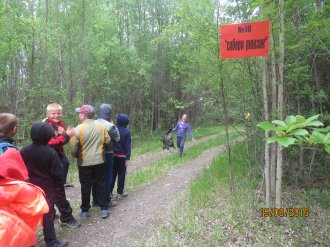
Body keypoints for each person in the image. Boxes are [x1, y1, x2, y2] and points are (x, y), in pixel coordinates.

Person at [21, 122, 78, 247]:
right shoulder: (50, 152)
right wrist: (60, 188)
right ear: (49, 137)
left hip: (30, 188)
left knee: (28, 213)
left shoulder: (24, 150)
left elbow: (22, 169)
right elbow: (57, 174)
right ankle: (52, 242)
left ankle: (24, 240)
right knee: (47, 214)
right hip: (48, 189)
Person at [71, 104, 111, 219]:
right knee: (101, 184)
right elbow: (108, 140)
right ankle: (104, 208)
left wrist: (74, 155)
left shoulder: (78, 129)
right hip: (100, 160)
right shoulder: (101, 126)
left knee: (85, 186)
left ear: (84, 115)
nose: (79, 114)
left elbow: (74, 147)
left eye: (80, 113)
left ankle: (84, 210)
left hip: (84, 162)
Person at [92, 103, 120, 207]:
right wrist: (113, 124)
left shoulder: (93, 122)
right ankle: (106, 200)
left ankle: (95, 200)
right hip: (108, 153)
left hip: (94, 154)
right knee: (108, 177)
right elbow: (117, 138)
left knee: (95, 178)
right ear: (109, 113)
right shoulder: (109, 125)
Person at [44, 102, 75, 187]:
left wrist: (64, 134)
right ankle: (56, 185)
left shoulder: (61, 123)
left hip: (59, 151)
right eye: (53, 113)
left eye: (59, 113)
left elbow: (63, 140)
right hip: (48, 152)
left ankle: (61, 184)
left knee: (65, 164)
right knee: (55, 169)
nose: (56, 115)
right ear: (47, 114)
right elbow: (51, 144)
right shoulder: (46, 125)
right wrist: (66, 135)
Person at [111, 113, 131, 199]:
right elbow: (128, 146)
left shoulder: (114, 129)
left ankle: (109, 192)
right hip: (122, 157)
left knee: (112, 174)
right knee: (121, 174)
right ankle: (120, 192)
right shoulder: (127, 131)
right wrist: (128, 158)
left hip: (113, 156)